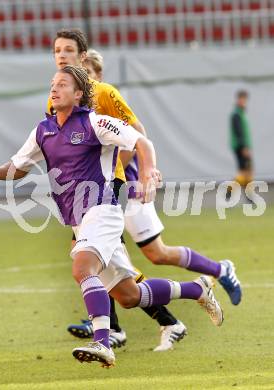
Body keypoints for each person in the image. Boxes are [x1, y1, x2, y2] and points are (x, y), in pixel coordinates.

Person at [0, 65, 224, 367]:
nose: (54, 89)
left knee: (82, 267)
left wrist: (146, 172)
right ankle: (198, 288)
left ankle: (103, 342)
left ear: (78, 94)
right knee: (129, 296)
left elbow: (142, 142)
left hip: (103, 210)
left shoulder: (96, 122)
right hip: (80, 221)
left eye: (63, 85)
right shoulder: (44, 130)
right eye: (53, 84)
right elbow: (18, 166)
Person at [51, 29, 186, 351]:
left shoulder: (104, 93)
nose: (61, 55)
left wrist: (137, 170)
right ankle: (152, 321)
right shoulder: (58, 92)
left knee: (94, 260)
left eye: (68, 50)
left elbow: (138, 134)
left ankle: (110, 330)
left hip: (105, 190)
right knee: (111, 266)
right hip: (78, 192)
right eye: (57, 50)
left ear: (83, 57)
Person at [82, 48, 242, 307]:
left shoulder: (107, 99)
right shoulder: (78, 107)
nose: (85, 80)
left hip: (128, 188)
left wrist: (125, 173)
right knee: (99, 255)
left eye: (88, 73)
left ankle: (218, 272)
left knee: (155, 253)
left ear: (99, 74)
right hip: (102, 195)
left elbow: (137, 138)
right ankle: (112, 326)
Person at [227, 90, 253, 201]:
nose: (244, 101)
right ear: (238, 99)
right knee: (243, 172)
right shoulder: (236, 114)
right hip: (240, 147)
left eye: (245, 99)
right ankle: (229, 192)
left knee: (248, 171)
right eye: (242, 99)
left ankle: (249, 197)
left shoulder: (241, 113)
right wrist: (244, 147)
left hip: (244, 146)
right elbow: (239, 132)